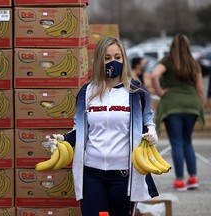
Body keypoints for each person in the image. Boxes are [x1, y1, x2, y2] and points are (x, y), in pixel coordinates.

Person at [49, 36, 159, 216]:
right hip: (91, 174)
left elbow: (147, 123)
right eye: (107, 58)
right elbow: (80, 129)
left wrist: (152, 132)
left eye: (117, 57)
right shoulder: (86, 92)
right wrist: (63, 139)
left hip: (125, 175)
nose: (113, 62)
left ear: (124, 58)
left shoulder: (137, 92)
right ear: (99, 60)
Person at [151, 33, 206, 191]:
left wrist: (160, 92)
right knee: (187, 141)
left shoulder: (167, 61)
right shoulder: (193, 63)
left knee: (176, 142)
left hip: (172, 105)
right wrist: (198, 105)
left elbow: (154, 75)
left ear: (172, 46)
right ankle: (193, 178)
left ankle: (180, 181)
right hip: (192, 104)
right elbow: (200, 89)